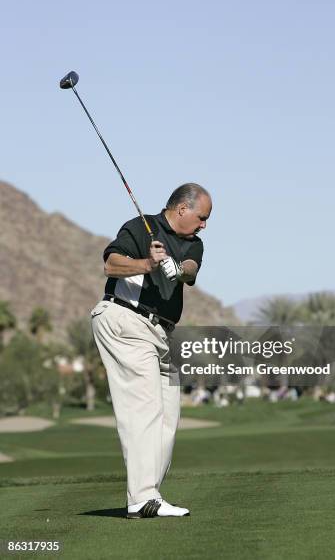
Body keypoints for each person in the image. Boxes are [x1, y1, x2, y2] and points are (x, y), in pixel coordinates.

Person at [91, 183, 212, 518]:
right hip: (125, 320)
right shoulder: (139, 226)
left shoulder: (194, 244)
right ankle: (142, 498)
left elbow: (191, 270)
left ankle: (150, 494)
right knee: (144, 408)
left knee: (168, 416)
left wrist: (176, 267)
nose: (204, 224)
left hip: (159, 334)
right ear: (182, 209)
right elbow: (111, 265)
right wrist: (148, 263)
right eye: (201, 217)